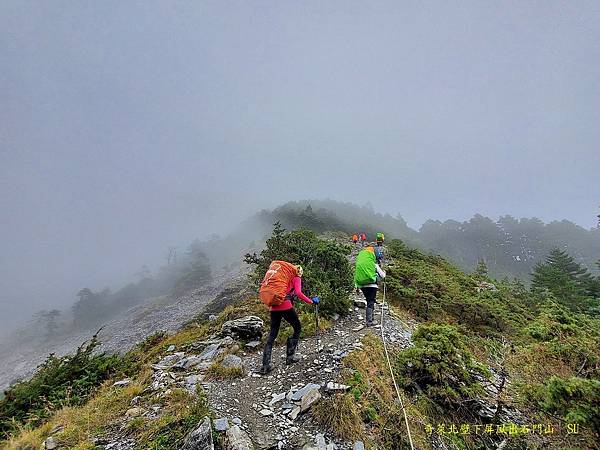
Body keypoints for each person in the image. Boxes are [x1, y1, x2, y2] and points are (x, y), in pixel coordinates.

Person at [259, 262, 319, 374]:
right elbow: (298, 293)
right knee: (297, 327)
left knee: (272, 334)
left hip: (274, 306)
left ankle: (265, 365)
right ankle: (290, 356)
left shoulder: (282, 278)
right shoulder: (296, 277)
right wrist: (311, 301)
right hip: (285, 305)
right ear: (299, 272)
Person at [354, 245, 386, 326]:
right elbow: (382, 276)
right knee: (370, 302)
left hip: (362, 286)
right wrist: (384, 273)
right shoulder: (374, 264)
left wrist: (357, 288)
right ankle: (369, 321)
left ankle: (371, 318)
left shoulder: (362, 265)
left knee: (369, 300)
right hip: (372, 285)